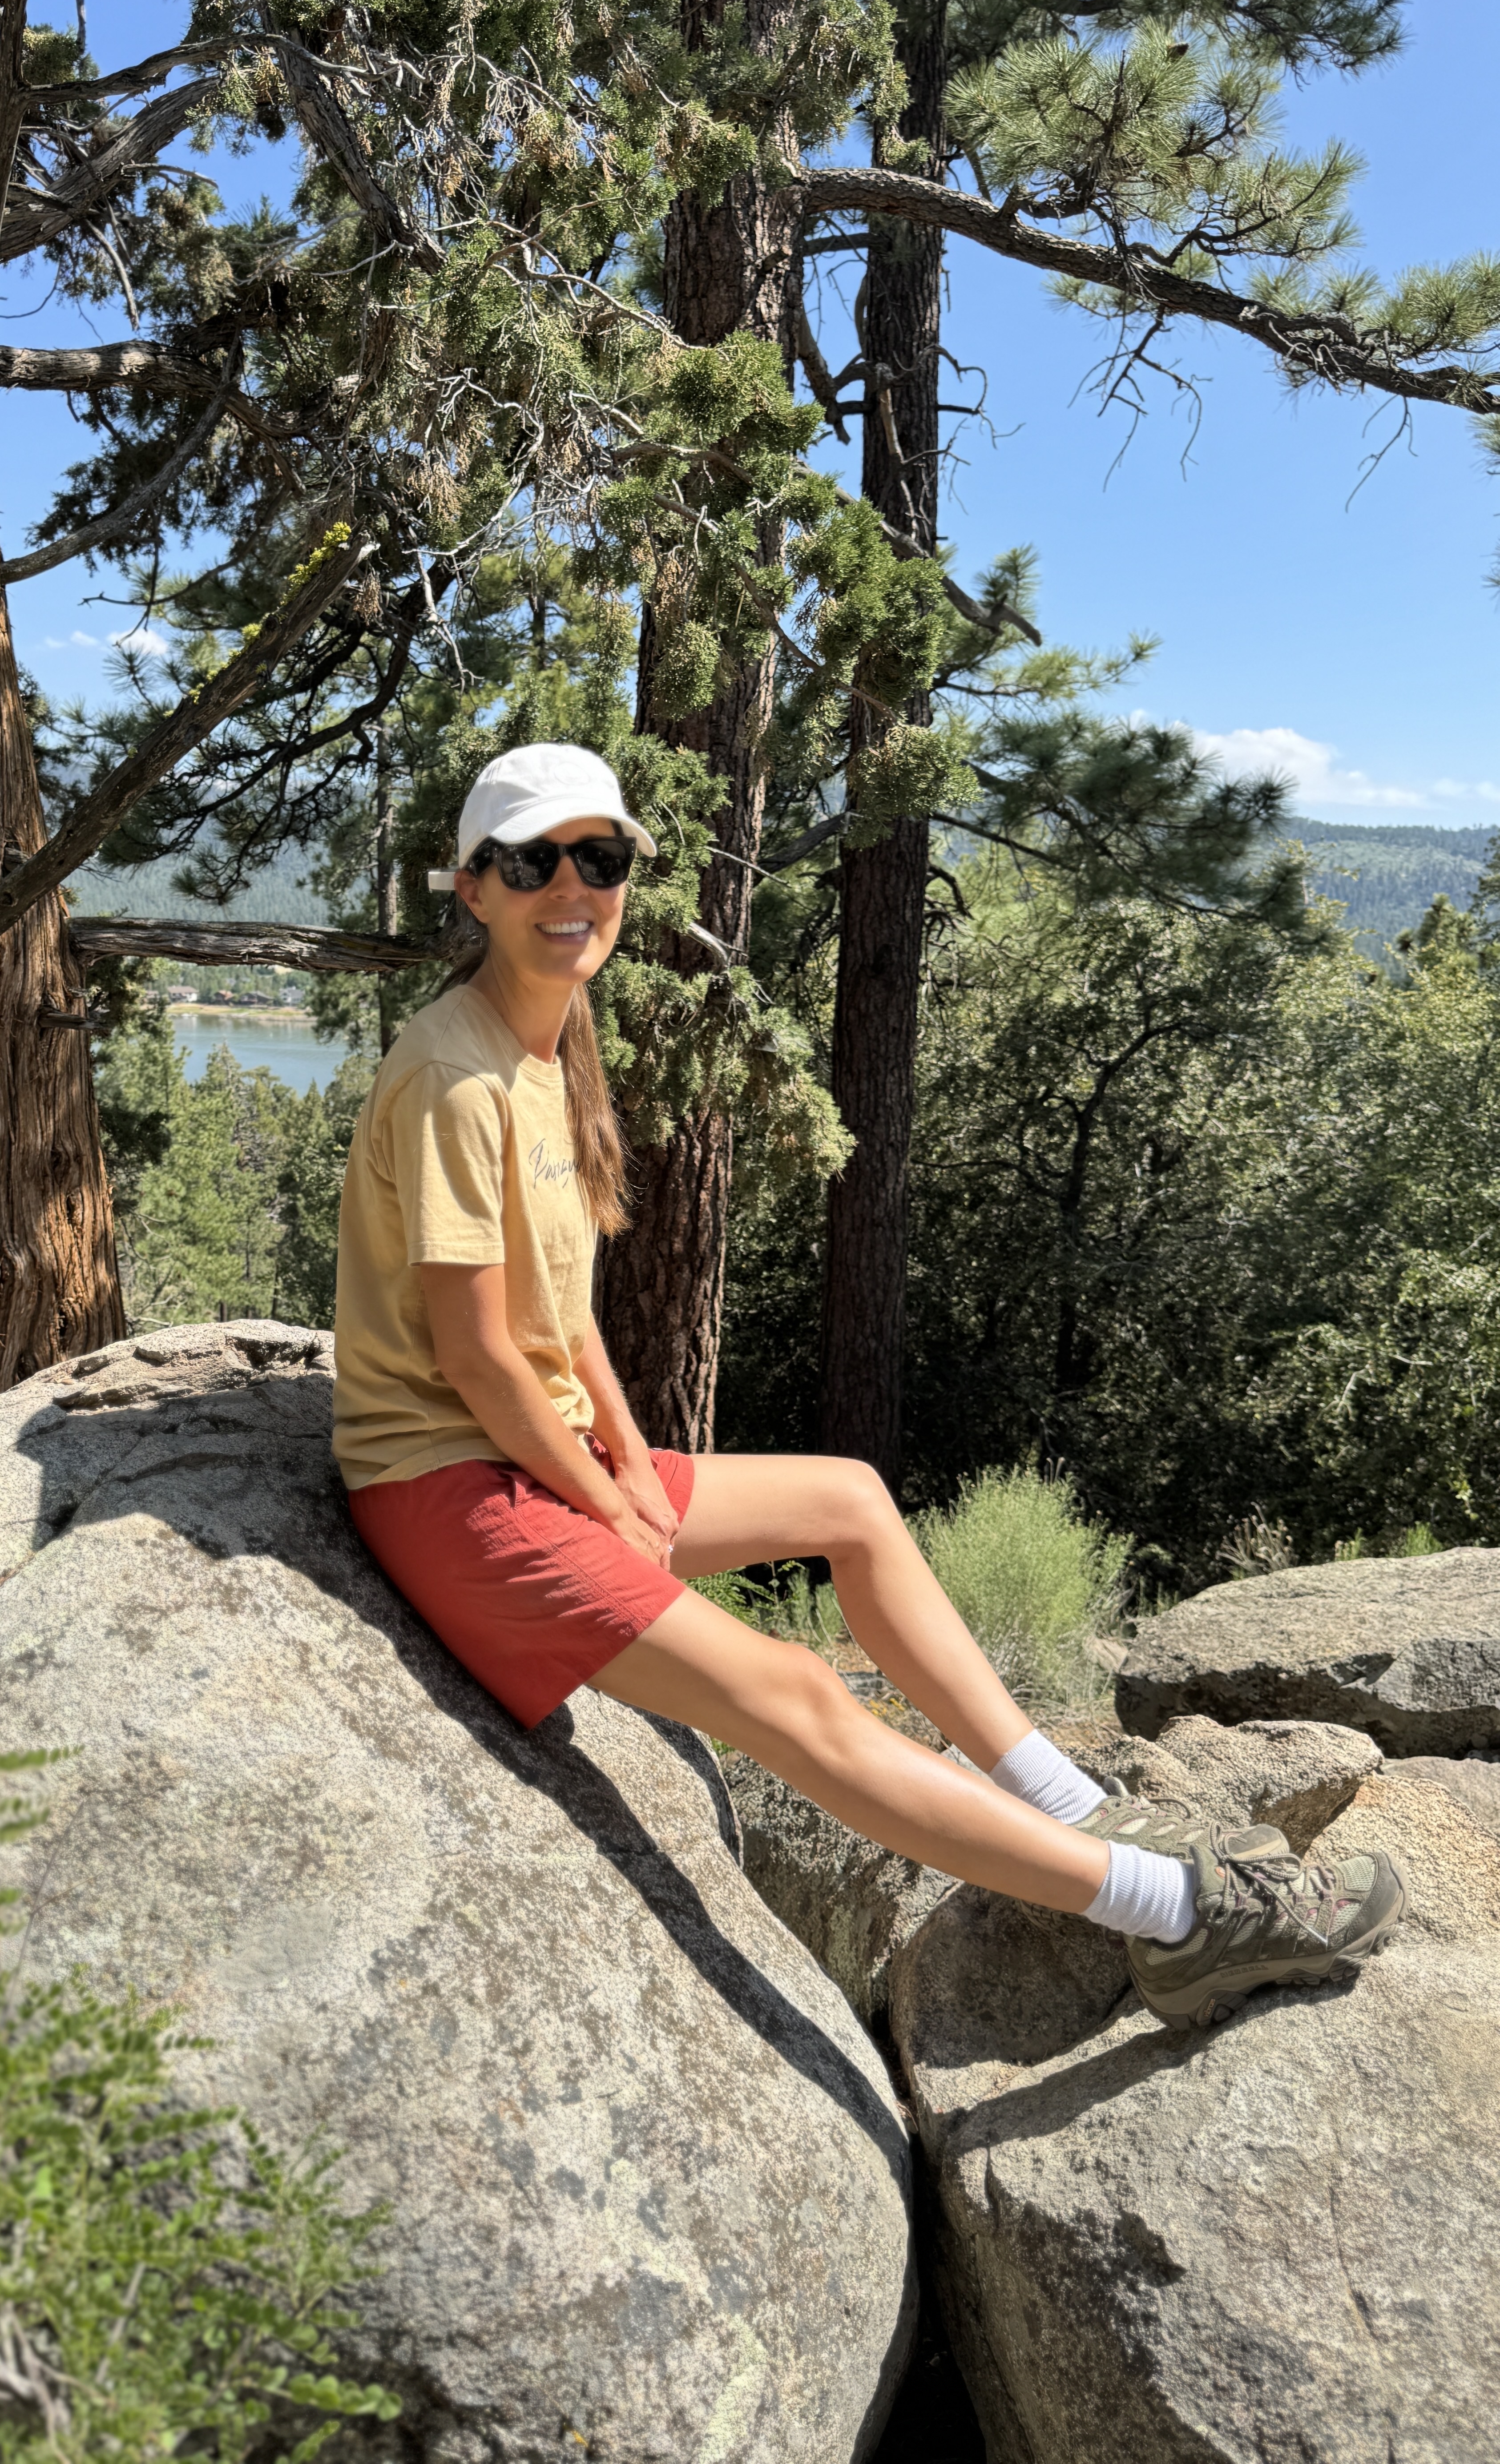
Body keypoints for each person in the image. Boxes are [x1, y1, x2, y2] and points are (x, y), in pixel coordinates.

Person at [333, 742, 1405, 2031]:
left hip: (533, 1458)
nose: (572, 886)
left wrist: (623, 1459)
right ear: (474, 887)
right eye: (531, 860)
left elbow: (559, 1324)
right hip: (453, 1492)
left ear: (628, 875)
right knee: (795, 1695)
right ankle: (1183, 1918)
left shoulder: (550, 1045)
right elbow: (474, 1357)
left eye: (600, 858)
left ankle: (1063, 1802)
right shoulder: (456, 1075)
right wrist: (606, 1509)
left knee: (847, 1498)